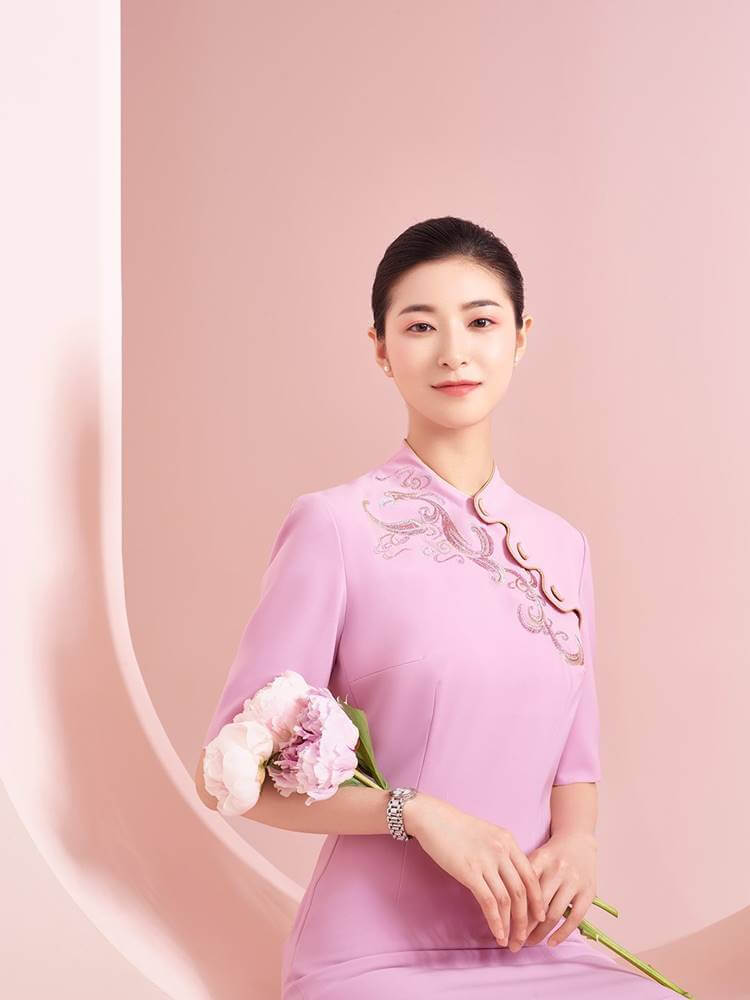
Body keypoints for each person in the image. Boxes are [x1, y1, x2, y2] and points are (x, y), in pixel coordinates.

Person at [197, 216, 666, 997]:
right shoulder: (334, 527)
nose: (454, 351)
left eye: (481, 321)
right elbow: (231, 774)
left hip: (542, 950)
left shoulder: (563, 547)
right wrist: (413, 813)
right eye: (420, 326)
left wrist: (578, 845)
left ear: (520, 337)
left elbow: (575, 765)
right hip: (374, 957)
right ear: (381, 348)